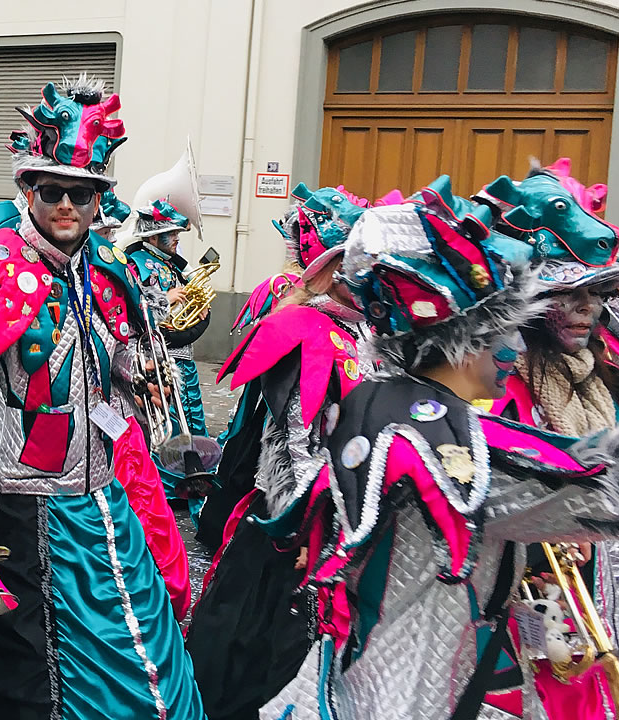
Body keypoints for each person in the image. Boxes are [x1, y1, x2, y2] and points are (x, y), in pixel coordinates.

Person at [0, 75, 200, 720]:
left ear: (98, 201)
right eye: (53, 192)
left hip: (98, 499)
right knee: (17, 676)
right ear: (29, 192)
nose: (67, 206)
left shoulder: (108, 274)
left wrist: (146, 354)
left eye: (81, 194)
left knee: (135, 643)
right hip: (17, 509)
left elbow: (113, 368)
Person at [260, 179, 619, 720]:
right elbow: (592, 486)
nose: (517, 349)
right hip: (413, 696)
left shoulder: (378, 399)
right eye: (507, 333)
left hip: (354, 677)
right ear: (467, 339)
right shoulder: (449, 440)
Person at [185, 183, 372, 720]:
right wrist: (310, 524)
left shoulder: (368, 331)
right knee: (258, 653)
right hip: (296, 521)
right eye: (349, 266)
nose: (362, 278)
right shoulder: (299, 319)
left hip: (342, 517)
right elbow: (298, 440)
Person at [473, 159, 619, 719]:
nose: (587, 310)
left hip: (598, 572)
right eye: (571, 295)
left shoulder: (595, 374)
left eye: (596, 295)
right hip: (530, 588)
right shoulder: (500, 387)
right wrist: (546, 534)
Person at [124, 196, 211, 499]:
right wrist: (167, 298)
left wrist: (197, 307)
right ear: (153, 234)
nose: (176, 239)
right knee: (168, 420)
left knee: (193, 417)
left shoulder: (169, 263)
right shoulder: (137, 262)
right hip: (159, 357)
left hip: (183, 355)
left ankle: (195, 477)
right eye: (170, 233)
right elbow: (134, 307)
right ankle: (171, 488)